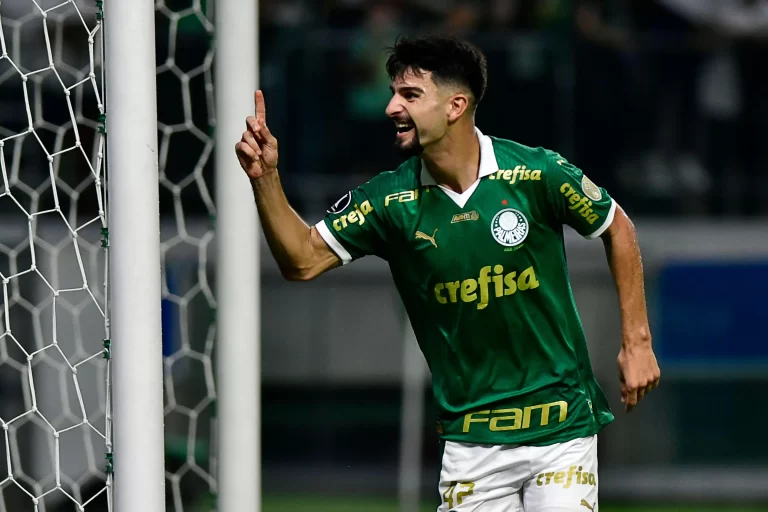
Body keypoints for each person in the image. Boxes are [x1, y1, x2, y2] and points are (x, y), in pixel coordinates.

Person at [235, 35, 660, 512]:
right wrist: (266, 180)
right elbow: (302, 259)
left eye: (410, 95)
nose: (391, 107)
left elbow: (617, 226)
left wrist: (637, 341)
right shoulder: (388, 201)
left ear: (456, 105)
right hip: (471, 444)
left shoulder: (535, 173)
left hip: (560, 428)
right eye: (394, 93)